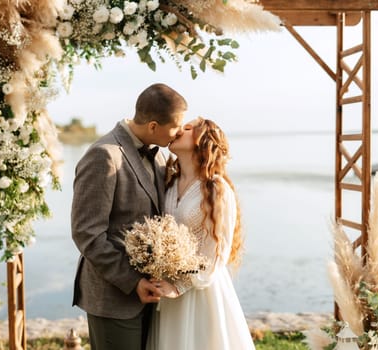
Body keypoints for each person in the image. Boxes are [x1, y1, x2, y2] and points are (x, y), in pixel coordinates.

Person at [71, 83, 187, 350]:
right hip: (114, 298)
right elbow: (87, 233)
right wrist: (133, 281)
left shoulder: (158, 156)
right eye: (176, 126)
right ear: (154, 126)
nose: (179, 132)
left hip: (152, 298)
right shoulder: (104, 156)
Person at [146, 117, 255, 350]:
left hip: (201, 290)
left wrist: (179, 286)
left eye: (187, 128)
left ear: (202, 141)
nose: (177, 130)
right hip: (166, 288)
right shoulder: (169, 181)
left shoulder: (216, 188)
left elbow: (217, 252)